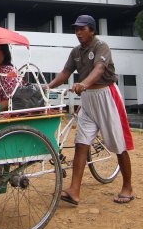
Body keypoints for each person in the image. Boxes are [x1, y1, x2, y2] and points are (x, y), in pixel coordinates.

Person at [46, 15, 135, 205]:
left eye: (82, 29)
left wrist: (83, 84)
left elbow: (100, 69)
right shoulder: (76, 52)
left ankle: (127, 186)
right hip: (87, 100)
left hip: (106, 96)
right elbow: (65, 73)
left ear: (92, 30)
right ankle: (74, 190)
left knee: (118, 145)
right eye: (76, 29)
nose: (78, 32)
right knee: (81, 143)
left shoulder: (101, 46)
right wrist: (49, 86)